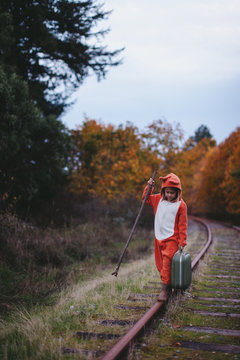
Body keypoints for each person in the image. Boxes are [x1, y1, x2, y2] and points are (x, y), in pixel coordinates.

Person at [142, 173, 187, 301]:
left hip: (172, 239)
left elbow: (182, 224)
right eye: (167, 192)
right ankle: (171, 285)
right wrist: (149, 187)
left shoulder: (181, 205)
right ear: (163, 191)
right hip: (159, 237)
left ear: (178, 192)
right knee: (161, 265)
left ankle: (164, 290)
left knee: (167, 263)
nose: (169, 195)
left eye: (172, 193)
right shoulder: (157, 199)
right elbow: (145, 199)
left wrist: (182, 241)